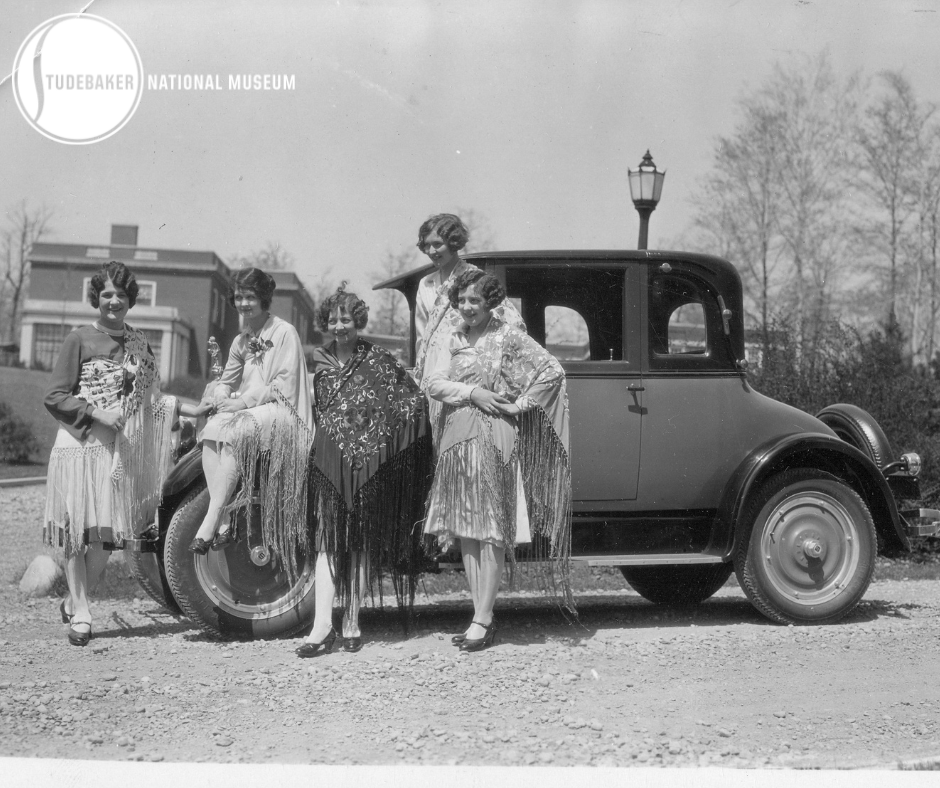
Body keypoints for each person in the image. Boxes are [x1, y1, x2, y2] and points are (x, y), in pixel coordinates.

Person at [423, 269, 573, 652]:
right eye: (462, 301)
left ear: (490, 302)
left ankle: (483, 618)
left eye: (475, 300)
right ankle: (480, 614)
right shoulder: (453, 337)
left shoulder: (506, 336)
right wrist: (473, 392)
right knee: (467, 527)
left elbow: (551, 370)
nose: (468, 307)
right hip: (458, 435)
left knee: (490, 525)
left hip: (495, 434)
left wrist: (520, 405)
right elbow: (434, 383)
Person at [44, 261, 180, 646]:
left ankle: (74, 597)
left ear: (130, 299)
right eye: (106, 294)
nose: (113, 301)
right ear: (96, 298)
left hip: (117, 452)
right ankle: (83, 613)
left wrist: (187, 411)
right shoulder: (79, 339)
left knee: (105, 537)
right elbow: (54, 395)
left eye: (120, 294)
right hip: (78, 445)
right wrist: (95, 412)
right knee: (77, 534)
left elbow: (153, 398)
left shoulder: (139, 343)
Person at [297, 285, 432, 657]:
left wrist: (385, 453)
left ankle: (352, 618)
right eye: (333, 319)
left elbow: (411, 402)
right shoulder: (318, 362)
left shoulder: (377, 359)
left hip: (368, 467)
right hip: (327, 462)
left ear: (358, 321)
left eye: (346, 318)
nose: (339, 325)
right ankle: (321, 625)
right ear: (325, 322)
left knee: (360, 543)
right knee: (326, 542)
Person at [189, 268, 314, 581]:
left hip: (281, 410)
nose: (244, 303)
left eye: (250, 297)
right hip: (252, 411)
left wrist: (242, 403)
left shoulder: (284, 332)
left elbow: (283, 384)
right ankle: (222, 521)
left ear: (264, 299)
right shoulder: (241, 340)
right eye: (239, 296)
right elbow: (227, 379)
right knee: (213, 428)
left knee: (236, 428)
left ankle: (213, 515)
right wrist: (220, 396)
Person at [412, 213, 524, 451]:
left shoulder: (474, 279)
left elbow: (512, 321)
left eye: (438, 244)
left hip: (464, 368)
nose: (432, 251)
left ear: (453, 243)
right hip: (434, 370)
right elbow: (422, 337)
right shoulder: (426, 284)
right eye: (427, 245)